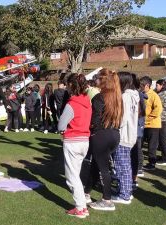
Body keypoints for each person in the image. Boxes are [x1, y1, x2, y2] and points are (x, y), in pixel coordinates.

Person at [85, 69, 122, 211]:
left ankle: (107, 200)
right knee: (96, 164)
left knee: (103, 169)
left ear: (103, 80)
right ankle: (86, 192)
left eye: (98, 78)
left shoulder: (100, 97)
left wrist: (91, 130)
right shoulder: (117, 98)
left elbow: (94, 119)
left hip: (101, 135)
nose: (96, 80)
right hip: (114, 135)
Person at [58, 73, 91, 218]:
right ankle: (82, 206)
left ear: (71, 85)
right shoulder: (87, 101)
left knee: (72, 177)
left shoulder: (72, 104)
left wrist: (63, 131)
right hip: (84, 141)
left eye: (67, 84)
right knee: (75, 175)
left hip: (73, 141)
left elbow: (60, 125)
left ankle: (80, 208)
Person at [111, 72, 139, 204]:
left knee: (123, 166)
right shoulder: (134, 95)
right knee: (125, 165)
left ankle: (124, 195)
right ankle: (125, 190)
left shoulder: (126, 97)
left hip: (124, 135)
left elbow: (123, 118)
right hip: (130, 134)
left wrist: (114, 125)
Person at [140, 76, 163, 170]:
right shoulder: (141, 94)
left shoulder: (154, 95)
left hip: (153, 125)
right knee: (140, 144)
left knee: (152, 145)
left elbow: (158, 110)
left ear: (147, 85)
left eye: (141, 85)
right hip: (143, 124)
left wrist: (147, 118)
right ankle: (139, 163)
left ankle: (152, 164)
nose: (140, 86)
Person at [131, 74, 147, 186]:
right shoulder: (138, 94)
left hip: (136, 128)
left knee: (136, 152)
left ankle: (135, 176)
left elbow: (141, 111)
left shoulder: (137, 95)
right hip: (137, 127)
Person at [155, 79, 166, 166]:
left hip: (163, 119)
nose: (156, 87)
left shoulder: (160, 95)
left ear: (161, 86)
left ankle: (165, 158)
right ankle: (164, 156)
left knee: (162, 139)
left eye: (157, 85)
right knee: (163, 138)